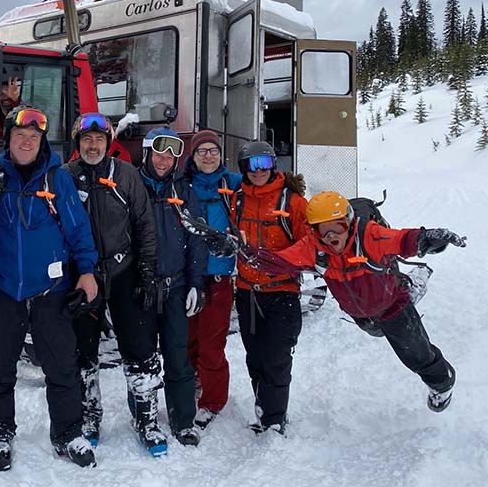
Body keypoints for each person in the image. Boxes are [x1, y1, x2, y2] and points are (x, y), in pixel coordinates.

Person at [247, 190, 465, 413]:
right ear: (314, 231)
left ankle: (442, 383)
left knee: (415, 353)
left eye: (338, 226)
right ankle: (408, 286)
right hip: (361, 314)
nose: (331, 235)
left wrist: (426, 239)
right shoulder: (313, 248)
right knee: (377, 330)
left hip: (392, 306)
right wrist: (242, 252)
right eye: (323, 228)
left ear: (349, 222)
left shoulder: (370, 236)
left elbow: (403, 240)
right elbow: (278, 262)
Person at [0, 106, 99, 471]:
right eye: (20, 137)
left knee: (62, 365)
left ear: (41, 141)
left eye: (33, 137)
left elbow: (78, 228)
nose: (27, 142)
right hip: (4, 289)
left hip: (50, 289)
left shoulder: (57, 179)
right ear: (9, 141)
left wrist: (88, 271)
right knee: (0, 365)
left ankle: (68, 433)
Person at [63, 113, 166, 454]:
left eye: (99, 140)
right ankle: (88, 415)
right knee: (82, 353)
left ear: (108, 143)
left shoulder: (125, 174)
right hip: (83, 276)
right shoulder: (65, 177)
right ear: (78, 143)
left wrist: (148, 269)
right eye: (86, 140)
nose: (93, 146)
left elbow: (144, 224)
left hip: (124, 272)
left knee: (139, 348)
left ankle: (146, 418)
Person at [228, 140, 309, 435]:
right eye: (252, 164)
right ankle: (263, 409)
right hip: (248, 292)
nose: (258, 170)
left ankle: (275, 419)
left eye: (264, 163)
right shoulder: (237, 199)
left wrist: (278, 261)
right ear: (243, 168)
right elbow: (231, 235)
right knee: (255, 357)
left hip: (281, 292)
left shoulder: (293, 202)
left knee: (276, 358)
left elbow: (309, 243)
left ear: (273, 165)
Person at [137, 127, 208, 447]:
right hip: (140, 287)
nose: (164, 161)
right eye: (159, 153)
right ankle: (144, 418)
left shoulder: (184, 190)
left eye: (170, 156)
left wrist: (197, 283)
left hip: (176, 286)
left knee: (178, 356)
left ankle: (183, 420)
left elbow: (196, 237)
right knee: (142, 357)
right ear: (147, 152)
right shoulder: (131, 184)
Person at [181, 130, 241, 430]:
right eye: (201, 151)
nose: (207, 155)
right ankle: (193, 380)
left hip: (218, 276)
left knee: (212, 343)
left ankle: (213, 400)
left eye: (213, 150)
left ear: (221, 154)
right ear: (192, 156)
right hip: (188, 275)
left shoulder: (232, 183)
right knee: (188, 337)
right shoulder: (183, 184)